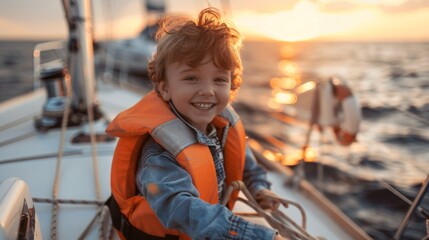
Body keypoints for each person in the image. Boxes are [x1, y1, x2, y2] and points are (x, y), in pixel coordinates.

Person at [106, 7, 286, 240]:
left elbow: (247, 165)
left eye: (219, 79)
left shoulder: (219, 128)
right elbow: (179, 208)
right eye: (191, 78)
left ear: (231, 87)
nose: (207, 91)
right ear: (164, 87)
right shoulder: (159, 152)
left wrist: (259, 188)